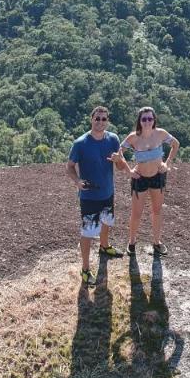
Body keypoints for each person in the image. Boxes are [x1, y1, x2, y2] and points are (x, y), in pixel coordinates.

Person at [67, 105, 127, 286]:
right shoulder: (81, 143)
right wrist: (77, 181)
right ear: (91, 119)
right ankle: (85, 269)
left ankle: (105, 247)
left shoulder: (113, 140)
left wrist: (120, 160)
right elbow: (69, 166)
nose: (100, 122)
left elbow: (121, 167)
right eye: (97, 118)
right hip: (89, 197)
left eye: (104, 119)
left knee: (107, 222)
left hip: (108, 192)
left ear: (107, 121)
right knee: (88, 232)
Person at [120, 106, 179, 258]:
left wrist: (167, 163)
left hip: (157, 176)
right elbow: (119, 152)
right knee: (136, 213)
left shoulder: (160, 134)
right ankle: (132, 242)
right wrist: (129, 171)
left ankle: (157, 242)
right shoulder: (133, 137)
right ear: (139, 121)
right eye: (144, 119)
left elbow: (175, 144)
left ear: (154, 120)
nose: (147, 121)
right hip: (140, 178)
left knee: (157, 211)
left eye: (150, 118)